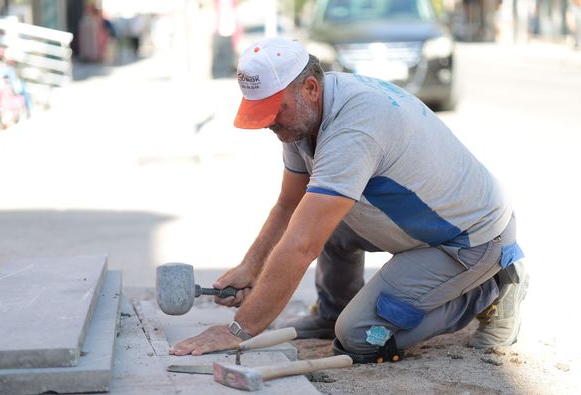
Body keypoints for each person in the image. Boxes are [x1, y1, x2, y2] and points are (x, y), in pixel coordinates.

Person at [169, 37, 528, 361]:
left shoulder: (353, 128)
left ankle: (490, 288)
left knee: (360, 337)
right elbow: (288, 206)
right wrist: (252, 267)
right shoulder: (306, 116)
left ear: (310, 87)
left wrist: (239, 330)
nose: (268, 124)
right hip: (427, 224)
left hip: (470, 240)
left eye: (275, 111)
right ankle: (333, 310)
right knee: (319, 210)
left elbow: (302, 244)